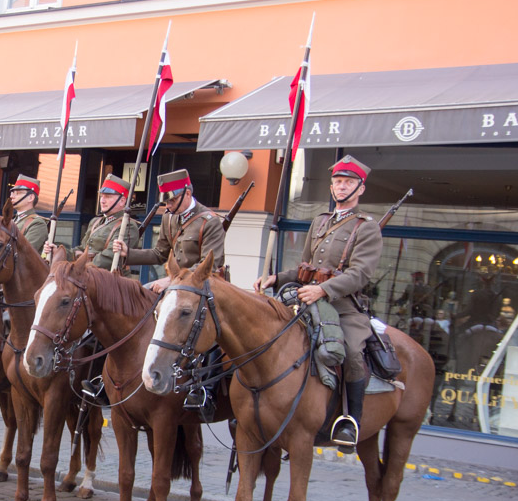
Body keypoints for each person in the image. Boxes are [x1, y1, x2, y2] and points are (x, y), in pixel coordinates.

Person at [254, 155, 383, 448]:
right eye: (338, 182)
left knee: (350, 351)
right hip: (307, 300)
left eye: (348, 182)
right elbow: (306, 266)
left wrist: (323, 291)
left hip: (343, 307)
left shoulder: (366, 227)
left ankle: (351, 421)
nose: (341, 187)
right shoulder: (321, 221)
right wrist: (275, 278)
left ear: (360, 188)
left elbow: (360, 273)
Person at [112, 168, 225, 293]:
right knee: (140, 295)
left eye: (172, 200)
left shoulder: (209, 221)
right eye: (166, 201)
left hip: (201, 287)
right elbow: (159, 254)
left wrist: (172, 279)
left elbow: (208, 267)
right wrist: (128, 253)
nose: (168, 206)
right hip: (175, 284)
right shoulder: (169, 217)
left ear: (187, 193)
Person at [43, 173, 140, 274]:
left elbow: (108, 258)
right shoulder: (95, 222)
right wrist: (57, 251)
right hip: (87, 276)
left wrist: (78, 267)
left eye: (108, 196)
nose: (102, 201)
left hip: (110, 282)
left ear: (122, 201)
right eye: (102, 196)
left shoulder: (127, 226)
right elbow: (81, 249)